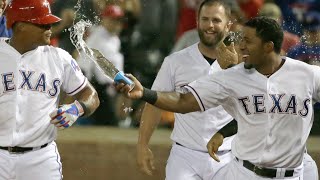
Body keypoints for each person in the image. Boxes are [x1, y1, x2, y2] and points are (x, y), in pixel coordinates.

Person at [116, 16, 316, 180]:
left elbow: (265, 111)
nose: (242, 47)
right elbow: (184, 101)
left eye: (248, 41)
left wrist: (221, 133)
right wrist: (145, 93)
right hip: (245, 173)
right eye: (241, 40)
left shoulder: (308, 75)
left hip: (295, 174)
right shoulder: (231, 78)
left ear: (268, 47)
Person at [137, 1, 237, 179]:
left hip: (228, 155)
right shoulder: (175, 61)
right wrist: (142, 145)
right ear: (197, 22)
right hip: (185, 156)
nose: (210, 25)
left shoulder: (241, 65)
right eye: (205, 19)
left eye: (216, 20)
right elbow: (154, 104)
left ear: (228, 25)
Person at [0, 0, 99, 179]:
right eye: (42, 23)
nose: (50, 27)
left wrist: (78, 108)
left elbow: (91, 95)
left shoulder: (59, 57)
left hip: (40, 159)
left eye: (50, 23)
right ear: (21, 26)